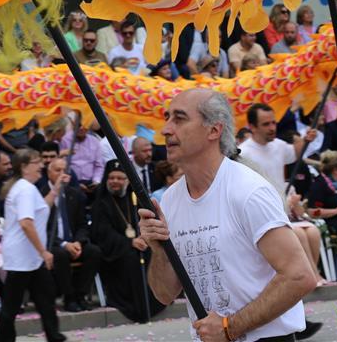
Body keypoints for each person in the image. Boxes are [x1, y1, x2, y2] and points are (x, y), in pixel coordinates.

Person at [138, 88, 317, 341]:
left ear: (214, 130)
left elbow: (299, 276)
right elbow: (164, 294)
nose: (166, 129)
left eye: (179, 118)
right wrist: (158, 251)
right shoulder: (170, 199)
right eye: (167, 118)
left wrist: (229, 327)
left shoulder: (248, 191)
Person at [0, 149, 65, 342]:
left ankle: (55, 336)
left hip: (31, 258)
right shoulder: (25, 189)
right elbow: (26, 223)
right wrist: (44, 251)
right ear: (24, 167)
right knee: (11, 305)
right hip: (22, 257)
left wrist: (56, 189)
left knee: (46, 300)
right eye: (36, 162)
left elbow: (42, 208)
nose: (41, 165)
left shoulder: (26, 188)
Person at [91, 160, 166, 323]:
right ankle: (136, 305)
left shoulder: (134, 197)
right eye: (112, 178)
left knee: (152, 253)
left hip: (140, 243)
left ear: (127, 180)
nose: (115, 182)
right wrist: (129, 242)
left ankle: (154, 300)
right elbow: (102, 232)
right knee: (131, 258)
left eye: (120, 178)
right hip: (115, 251)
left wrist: (143, 238)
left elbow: (146, 220)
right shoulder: (101, 201)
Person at [40, 158, 101, 313]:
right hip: (51, 243)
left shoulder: (75, 194)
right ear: (49, 173)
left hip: (73, 241)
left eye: (64, 171)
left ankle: (81, 295)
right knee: (60, 254)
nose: (62, 174)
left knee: (94, 251)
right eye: (57, 170)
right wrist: (64, 244)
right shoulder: (41, 194)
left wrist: (79, 242)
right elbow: (42, 227)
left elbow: (82, 224)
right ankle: (69, 297)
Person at [239, 103, 306, 191]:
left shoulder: (279, 145)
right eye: (266, 124)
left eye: (274, 123)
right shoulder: (242, 153)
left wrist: (305, 139)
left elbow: (295, 153)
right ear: (252, 127)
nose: (272, 128)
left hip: (280, 203)